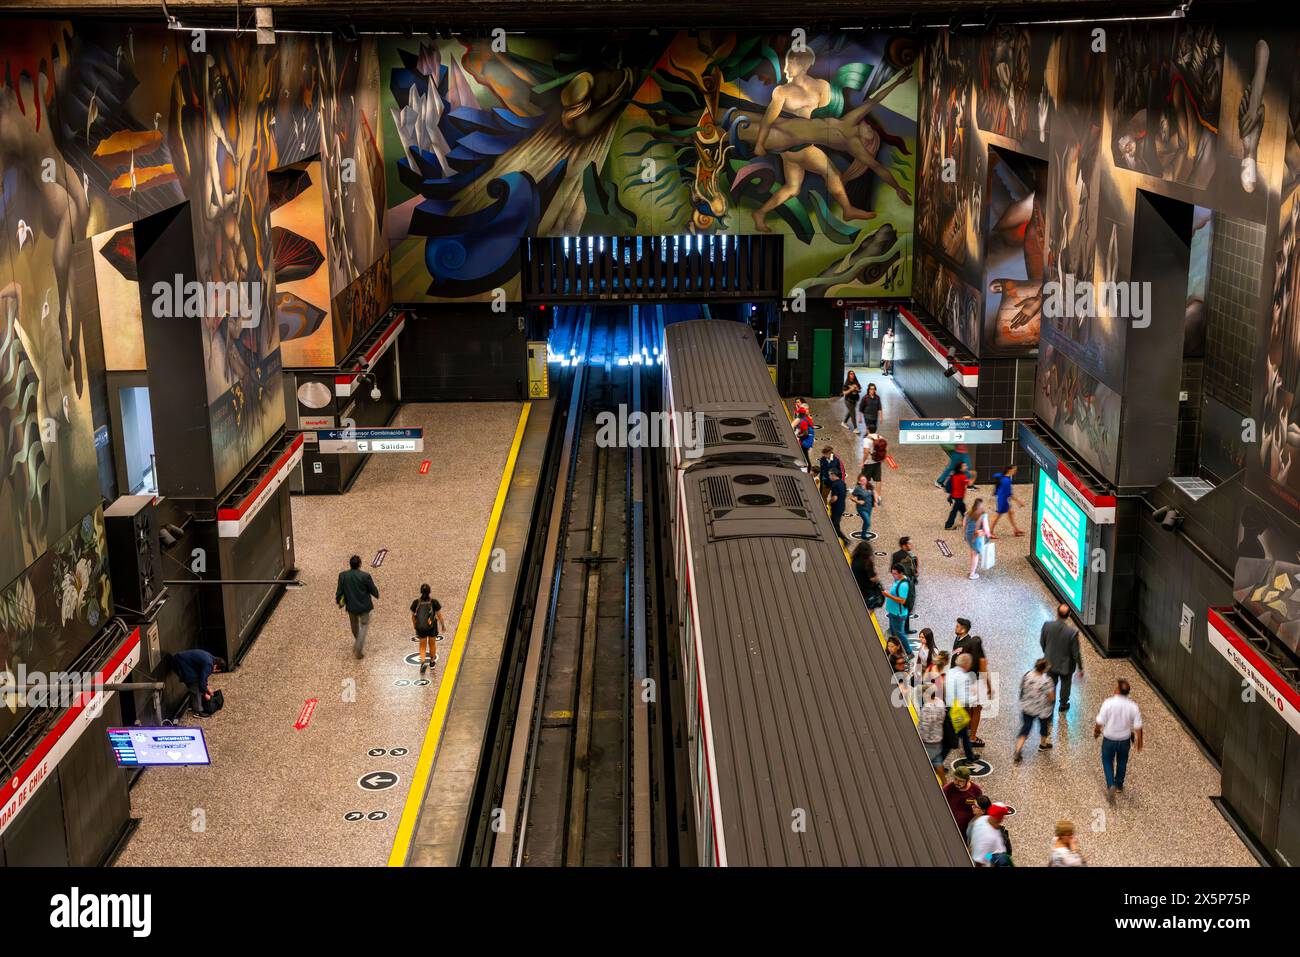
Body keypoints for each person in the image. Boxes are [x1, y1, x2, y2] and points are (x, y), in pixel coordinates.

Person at [1095, 678, 1143, 802]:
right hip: (1124, 740)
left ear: (1117, 690)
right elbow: (1138, 726)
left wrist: (1096, 731)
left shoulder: (1108, 703)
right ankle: (1119, 785)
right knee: (1122, 761)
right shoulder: (1133, 706)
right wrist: (1140, 741)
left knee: (1107, 761)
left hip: (1109, 739)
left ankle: (1111, 784)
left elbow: (1100, 721)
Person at [1040, 604, 1084, 712]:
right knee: (1065, 684)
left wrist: (1047, 654)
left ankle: (1050, 704)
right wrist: (1080, 668)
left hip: (1050, 662)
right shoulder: (1072, 633)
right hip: (1066, 665)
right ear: (1069, 615)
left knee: (1050, 683)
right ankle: (1063, 704)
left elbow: (1042, 642)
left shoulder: (1047, 626)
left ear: (1057, 613)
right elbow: (1076, 653)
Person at [952, 619, 989, 746]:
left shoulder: (966, 650)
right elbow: (984, 674)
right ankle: (971, 736)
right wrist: (989, 688)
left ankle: (966, 733)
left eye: (957, 626)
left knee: (969, 708)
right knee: (976, 710)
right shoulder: (980, 657)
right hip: (975, 685)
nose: (955, 627)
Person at [336, 554, 380, 659]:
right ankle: (359, 647)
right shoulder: (365, 576)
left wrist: (339, 601)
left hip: (351, 606)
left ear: (350, 564)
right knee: (364, 625)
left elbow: (339, 591)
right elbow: (372, 589)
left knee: (354, 626)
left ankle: (357, 641)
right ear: (360, 564)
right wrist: (376, 594)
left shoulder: (343, 575)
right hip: (364, 606)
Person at [1014, 658, 1056, 762]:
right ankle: (1043, 744)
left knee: (1026, 728)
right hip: (1042, 709)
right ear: (1044, 669)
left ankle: (1018, 750)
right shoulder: (1046, 681)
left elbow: (1021, 686)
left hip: (1027, 707)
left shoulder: (1027, 675)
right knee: (1044, 727)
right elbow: (1051, 697)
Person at [171, 649, 226, 719]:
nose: (214, 671)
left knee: (196, 684)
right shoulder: (209, 664)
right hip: (180, 663)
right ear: (215, 666)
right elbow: (202, 681)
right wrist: (205, 694)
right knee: (195, 687)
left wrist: (207, 688)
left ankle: (193, 705)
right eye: (215, 670)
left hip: (180, 660)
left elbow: (203, 676)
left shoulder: (211, 659)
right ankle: (198, 711)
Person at [947, 652, 979, 763]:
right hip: (956, 710)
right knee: (952, 739)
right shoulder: (963, 677)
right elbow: (964, 698)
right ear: (966, 664)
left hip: (948, 707)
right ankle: (938, 761)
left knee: (964, 734)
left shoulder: (950, 672)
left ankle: (970, 756)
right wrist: (975, 697)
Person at [410, 584, 446, 674]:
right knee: (432, 644)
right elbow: (439, 615)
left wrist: (415, 625)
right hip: (432, 626)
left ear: (421, 592)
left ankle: (422, 662)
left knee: (422, 646)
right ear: (430, 592)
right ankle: (432, 663)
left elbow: (413, 617)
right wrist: (442, 625)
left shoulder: (416, 603)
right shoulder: (434, 602)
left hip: (421, 627)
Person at [942, 765, 984, 834]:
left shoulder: (976, 790)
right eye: (955, 779)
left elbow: (980, 808)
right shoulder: (948, 789)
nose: (957, 783)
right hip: (951, 827)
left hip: (968, 828)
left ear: (968, 780)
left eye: (961, 781)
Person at [919, 680, 948, 778]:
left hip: (929, 741)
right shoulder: (940, 702)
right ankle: (944, 783)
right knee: (938, 761)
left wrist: (920, 738)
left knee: (925, 764)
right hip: (938, 737)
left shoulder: (926, 708)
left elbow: (925, 727)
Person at [890, 536, 918, 632]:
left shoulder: (895, 555)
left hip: (899, 584)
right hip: (907, 585)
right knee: (907, 605)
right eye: (910, 543)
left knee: (898, 605)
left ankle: (893, 628)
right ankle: (905, 629)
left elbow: (892, 569)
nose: (912, 545)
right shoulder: (907, 557)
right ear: (904, 545)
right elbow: (912, 572)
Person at [989, 464, 1024, 538]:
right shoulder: (1007, 481)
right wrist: (1019, 502)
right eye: (1014, 469)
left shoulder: (1001, 476)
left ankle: (1016, 530)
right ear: (1010, 470)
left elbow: (995, 475)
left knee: (1010, 513)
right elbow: (1010, 494)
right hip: (1003, 501)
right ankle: (990, 532)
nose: (1015, 471)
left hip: (1001, 499)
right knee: (997, 516)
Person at [883, 564, 912, 647]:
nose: (893, 575)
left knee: (900, 635)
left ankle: (908, 652)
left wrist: (888, 595)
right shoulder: (898, 580)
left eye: (895, 573)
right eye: (892, 573)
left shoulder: (903, 585)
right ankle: (894, 647)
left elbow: (902, 600)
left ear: (901, 573)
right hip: (893, 612)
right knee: (893, 632)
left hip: (898, 614)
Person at [850, 542, 884, 610]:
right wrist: (876, 576)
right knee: (869, 606)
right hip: (867, 588)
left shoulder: (854, 559)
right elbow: (872, 578)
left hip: (857, 585)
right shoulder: (867, 562)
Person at [964, 498, 990, 580]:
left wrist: (965, 534)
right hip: (976, 537)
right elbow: (986, 528)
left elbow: (964, 524)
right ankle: (972, 573)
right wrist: (988, 535)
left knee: (972, 552)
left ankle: (971, 569)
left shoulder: (968, 513)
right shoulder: (983, 515)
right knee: (975, 555)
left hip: (969, 536)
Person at [943, 461, 972, 530]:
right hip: (959, 497)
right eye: (964, 466)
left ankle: (967, 523)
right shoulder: (962, 476)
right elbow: (970, 484)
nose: (966, 467)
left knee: (963, 510)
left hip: (955, 496)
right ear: (960, 469)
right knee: (954, 511)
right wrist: (974, 475)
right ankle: (948, 525)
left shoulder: (954, 475)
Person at [860, 433, 888, 502]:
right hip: (877, 461)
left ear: (868, 428)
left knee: (865, 479)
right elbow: (885, 449)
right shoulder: (880, 437)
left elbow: (866, 452)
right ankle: (878, 496)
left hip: (868, 463)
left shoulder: (867, 439)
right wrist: (883, 458)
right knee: (878, 479)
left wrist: (863, 462)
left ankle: (864, 495)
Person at [826, 469, 850, 543]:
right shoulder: (842, 483)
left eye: (830, 475)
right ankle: (837, 537)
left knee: (834, 525)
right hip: (842, 506)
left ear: (834, 475)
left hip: (836, 508)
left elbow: (834, 498)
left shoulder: (835, 484)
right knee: (834, 523)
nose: (829, 477)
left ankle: (845, 539)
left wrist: (829, 502)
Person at [849, 474, 877, 539]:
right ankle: (863, 535)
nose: (864, 481)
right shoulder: (857, 489)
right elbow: (851, 497)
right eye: (862, 480)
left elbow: (874, 491)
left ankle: (863, 535)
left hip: (869, 507)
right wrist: (858, 502)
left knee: (866, 522)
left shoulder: (869, 485)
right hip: (861, 508)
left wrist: (875, 501)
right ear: (859, 482)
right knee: (868, 522)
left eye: (865, 479)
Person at [792, 403, 816, 468]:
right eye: (806, 409)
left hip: (806, 439)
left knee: (805, 457)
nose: (807, 411)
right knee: (803, 457)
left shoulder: (808, 418)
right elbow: (792, 427)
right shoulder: (799, 419)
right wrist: (797, 435)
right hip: (801, 439)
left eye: (808, 409)